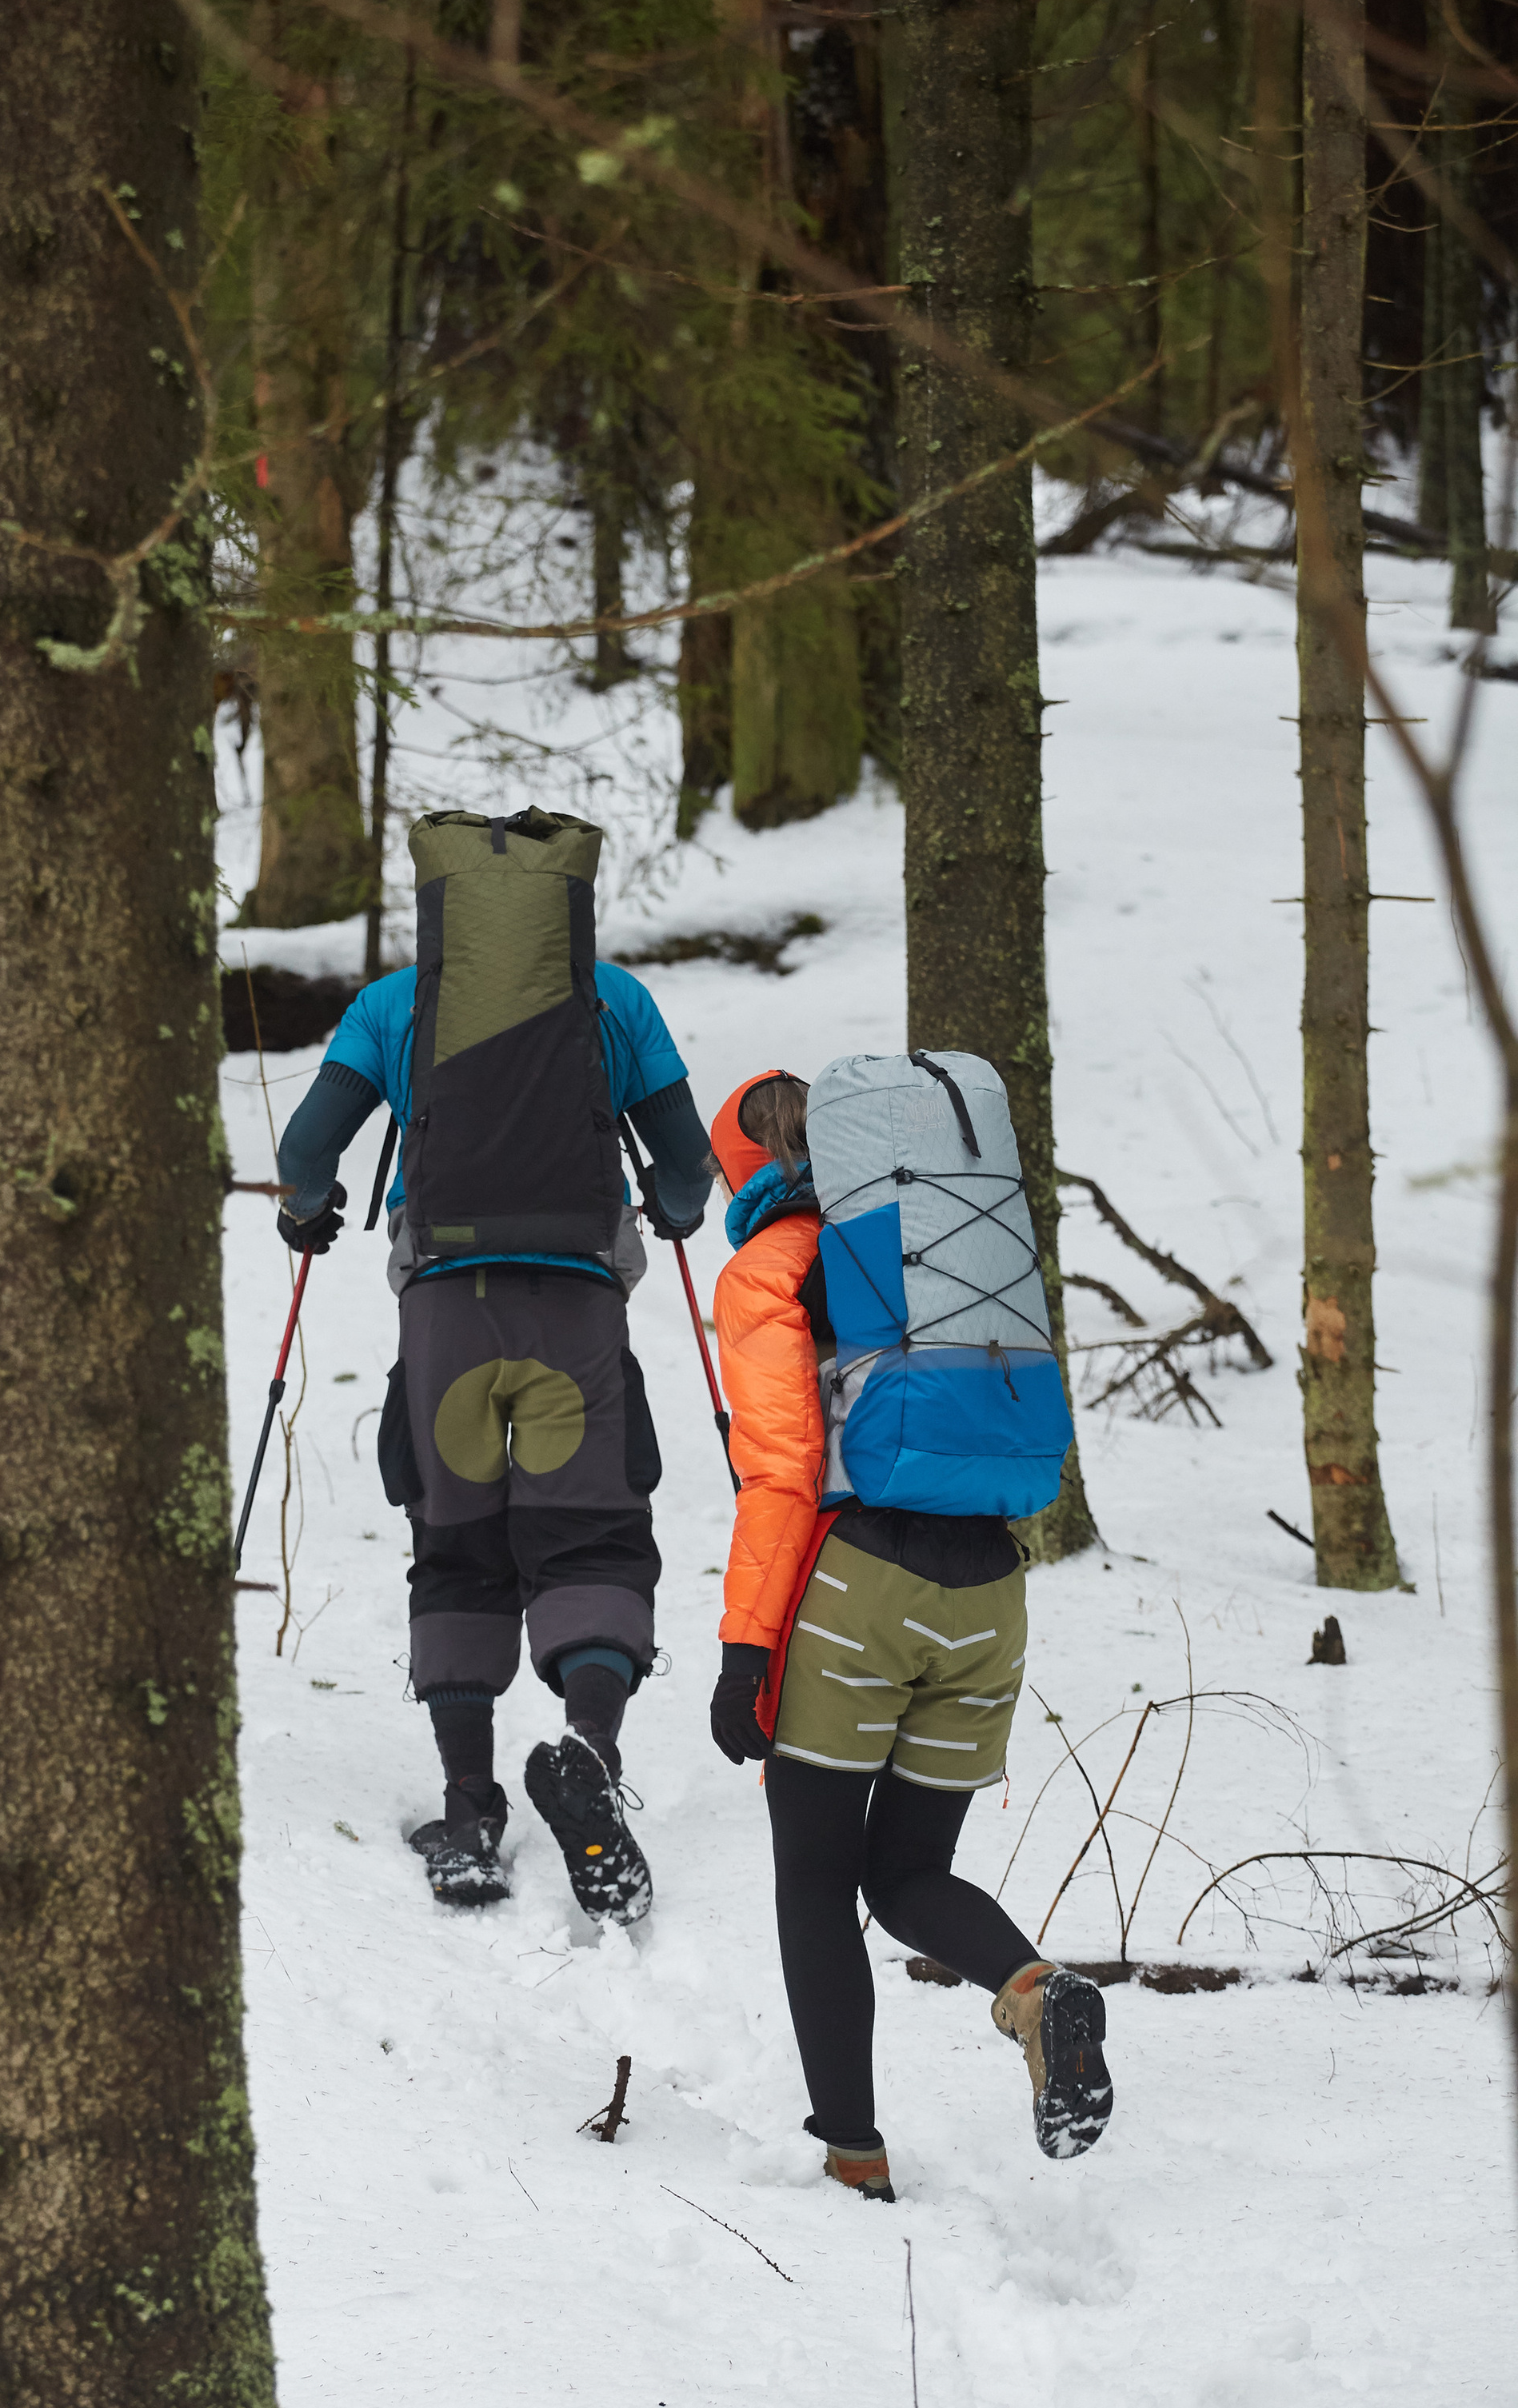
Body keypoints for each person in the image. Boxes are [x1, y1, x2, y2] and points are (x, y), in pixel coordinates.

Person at [275, 805, 715, 1922]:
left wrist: (308, 1210)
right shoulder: (614, 1001)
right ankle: (589, 1756)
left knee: (460, 1544)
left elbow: (305, 1149)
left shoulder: (391, 1005)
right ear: (569, 906)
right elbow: (686, 1169)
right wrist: (665, 1207)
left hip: (444, 1316)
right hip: (576, 1311)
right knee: (593, 1535)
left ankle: (470, 1814)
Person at [704, 1066, 1113, 2199]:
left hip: (860, 1592)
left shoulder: (771, 1269)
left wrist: (745, 1654)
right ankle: (1033, 1989)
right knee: (913, 1873)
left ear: (746, 1173)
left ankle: (853, 2152)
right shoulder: (933, 1255)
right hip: (993, 1586)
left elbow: (782, 1478)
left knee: (817, 1884)